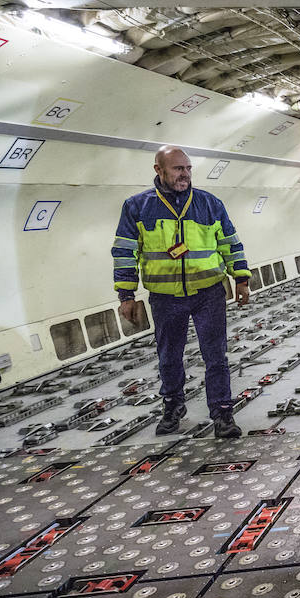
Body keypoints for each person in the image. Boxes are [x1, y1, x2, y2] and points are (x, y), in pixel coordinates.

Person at [113, 146, 250, 439]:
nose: (184, 174)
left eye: (188, 168)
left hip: (208, 292)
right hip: (165, 297)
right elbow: (125, 252)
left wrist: (241, 277)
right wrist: (126, 294)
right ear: (158, 170)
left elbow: (230, 243)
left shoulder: (209, 203)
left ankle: (222, 412)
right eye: (177, 169)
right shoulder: (137, 207)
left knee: (216, 356)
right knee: (169, 357)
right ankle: (173, 406)